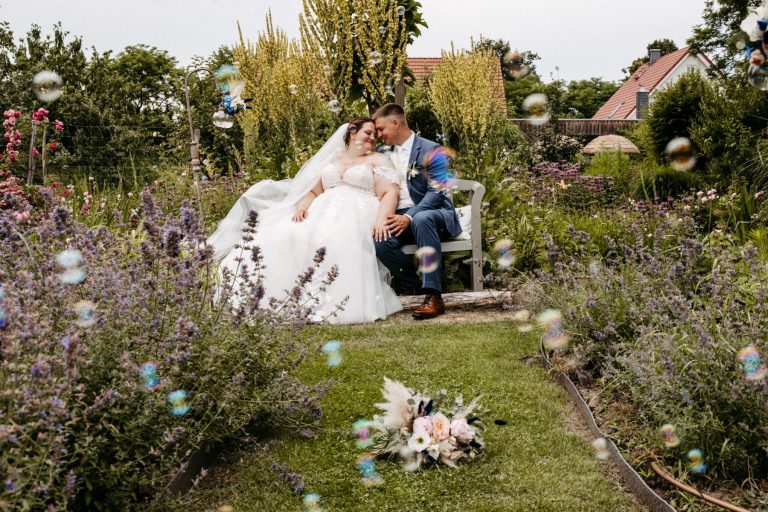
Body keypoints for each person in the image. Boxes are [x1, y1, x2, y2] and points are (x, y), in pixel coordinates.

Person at [207, 118, 403, 324]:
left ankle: (336, 302)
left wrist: (382, 219)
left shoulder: (377, 160)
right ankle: (277, 296)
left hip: (358, 211)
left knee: (338, 240)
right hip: (322, 209)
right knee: (288, 235)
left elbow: (390, 192)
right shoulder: (333, 160)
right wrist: (303, 206)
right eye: (368, 133)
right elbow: (313, 190)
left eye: (374, 134)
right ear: (353, 133)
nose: (373, 137)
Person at [372, 103, 462, 320]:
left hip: (435, 213)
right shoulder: (382, 153)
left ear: (396, 123)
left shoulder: (433, 149)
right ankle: (411, 285)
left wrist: (408, 216)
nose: (378, 134)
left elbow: (438, 192)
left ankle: (434, 296)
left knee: (421, 218)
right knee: (381, 237)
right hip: (402, 214)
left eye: (381, 129)